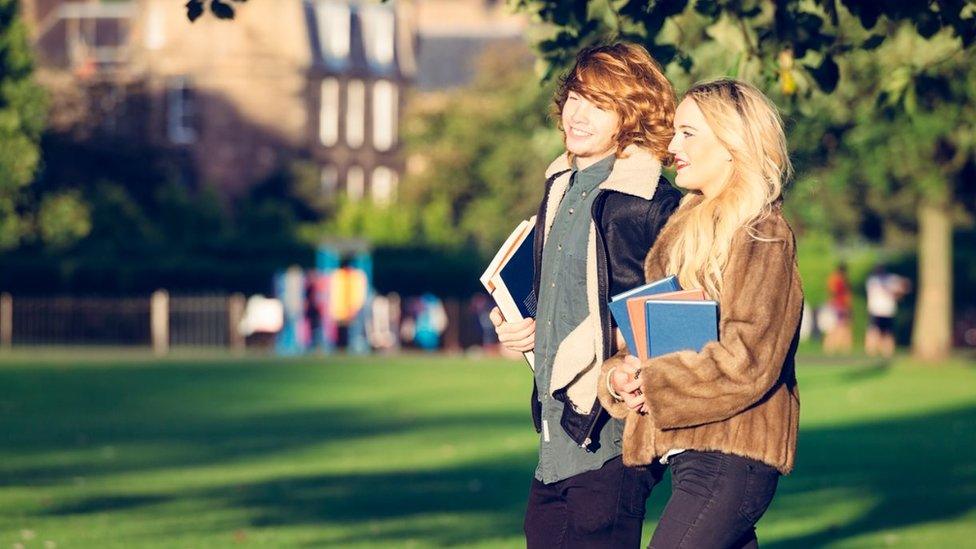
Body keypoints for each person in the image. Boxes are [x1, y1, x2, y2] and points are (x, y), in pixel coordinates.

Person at [490, 42, 681, 547]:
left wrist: (625, 369)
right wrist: (522, 325)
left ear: (632, 114)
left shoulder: (650, 203)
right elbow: (562, 298)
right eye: (575, 96)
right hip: (554, 438)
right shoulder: (560, 186)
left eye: (598, 104)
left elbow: (680, 324)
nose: (576, 114)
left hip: (610, 439)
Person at [602, 79, 803, 548]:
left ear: (733, 144)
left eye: (688, 133)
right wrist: (621, 376)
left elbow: (748, 360)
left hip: (733, 458)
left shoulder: (762, 233)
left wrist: (657, 383)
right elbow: (652, 341)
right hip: (689, 453)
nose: (672, 147)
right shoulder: (682, 232)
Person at [865, 264, 911, 358]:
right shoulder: (873, 280)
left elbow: (905, 286)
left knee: (888, 332)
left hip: (888, 310)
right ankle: (871, 352)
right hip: (876, 310)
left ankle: (887, 352)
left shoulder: (892, 279)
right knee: (874, 331)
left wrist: (898, 294)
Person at [824, 263, 853, 354]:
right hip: (839, 306)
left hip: (839, 305)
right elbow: (834, 292)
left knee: (840, 326)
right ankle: (831, 347)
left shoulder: (836, 279)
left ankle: (837, 347)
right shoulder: (838, 279)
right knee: (838, 326)